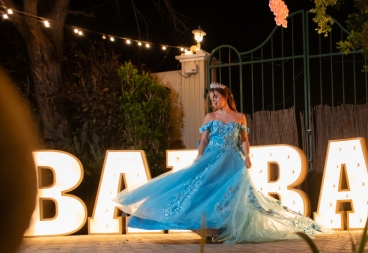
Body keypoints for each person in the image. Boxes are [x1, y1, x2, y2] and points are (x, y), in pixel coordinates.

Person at [114, 82, 331, 242]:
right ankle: (209, 230)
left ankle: (221, 230)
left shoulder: (239, 117)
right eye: (211, 99)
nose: (214, 101)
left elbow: (244, 140)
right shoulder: (210, 117)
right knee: (201, 191)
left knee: (233, 195)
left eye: (216, 97)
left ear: (225, 96)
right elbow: (204, 139)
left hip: (233, 161)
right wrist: (199, 158)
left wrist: (247, 156)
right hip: (212, 159)